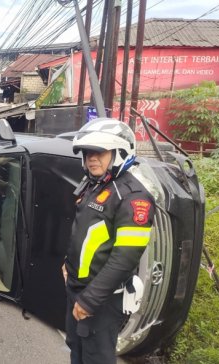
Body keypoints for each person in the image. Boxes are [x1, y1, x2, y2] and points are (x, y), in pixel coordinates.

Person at [62, 118, 155, 363]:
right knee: (76, 348)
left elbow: (125, 259)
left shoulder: (133, 198)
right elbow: (83, 232)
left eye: (100, 152)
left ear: (119, 153)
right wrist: (67, 264)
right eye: (88, 152)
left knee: (96, 357)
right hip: (77, 289)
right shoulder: (95, 185)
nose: (92, 158)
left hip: (100, 300)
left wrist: (90, 300)